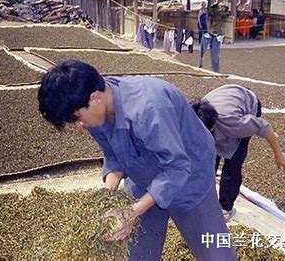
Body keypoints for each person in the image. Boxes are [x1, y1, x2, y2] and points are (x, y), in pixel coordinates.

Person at [38, 60, 237, 260]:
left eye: (77, 117)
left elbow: (177, 167)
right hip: (142, 168)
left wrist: (133, 211)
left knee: (214, 250)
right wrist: (107, 196)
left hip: (188, 171)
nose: (80, 124)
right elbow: (113, 154)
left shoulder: (147, 108)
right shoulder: (95, 109)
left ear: (95, 98)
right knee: (137, 248)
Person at [191, 84, 285, 220]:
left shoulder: (235, 123)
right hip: (225, 97)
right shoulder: (192, 118)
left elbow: (264, 126)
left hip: (246, 103)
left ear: (213, 127)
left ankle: (226, 207)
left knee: (233, 164)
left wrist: (279, 153)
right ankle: (204, 198)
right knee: (208, 160)